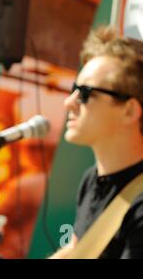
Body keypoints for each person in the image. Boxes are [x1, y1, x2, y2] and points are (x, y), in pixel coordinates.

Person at [51, 26, 143, 258]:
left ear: (129, 111)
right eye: (74, 89)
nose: (68, 103)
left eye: (85, 92)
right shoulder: (91, 179)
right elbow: (78, 249)